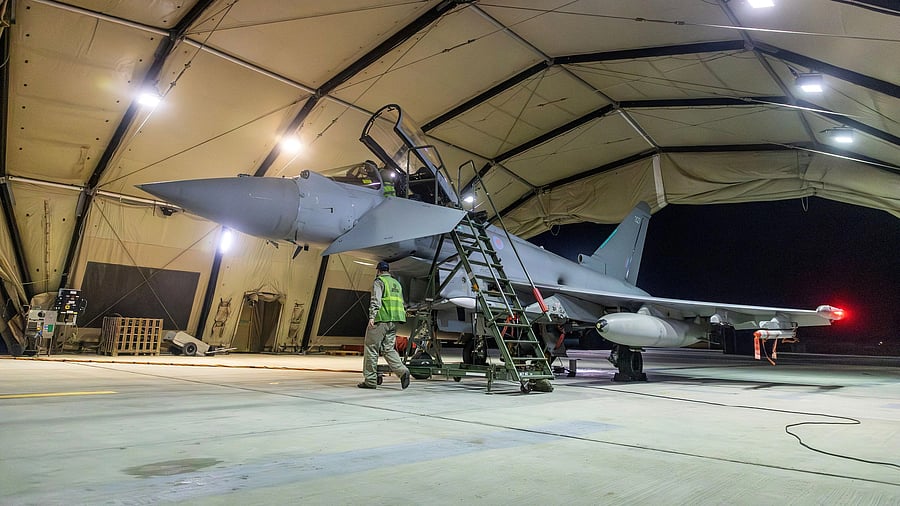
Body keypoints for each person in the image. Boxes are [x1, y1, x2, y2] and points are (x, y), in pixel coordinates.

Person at [358, 260, 411, 389]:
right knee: (388, 349)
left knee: (371, 347)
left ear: (378, 271)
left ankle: (370, 380)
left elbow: (376, 299)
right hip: (394, 321)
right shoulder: (396, 283)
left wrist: (372, 316)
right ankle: (402, 371)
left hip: (381, 319)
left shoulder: (379, 282)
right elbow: (402, 302)